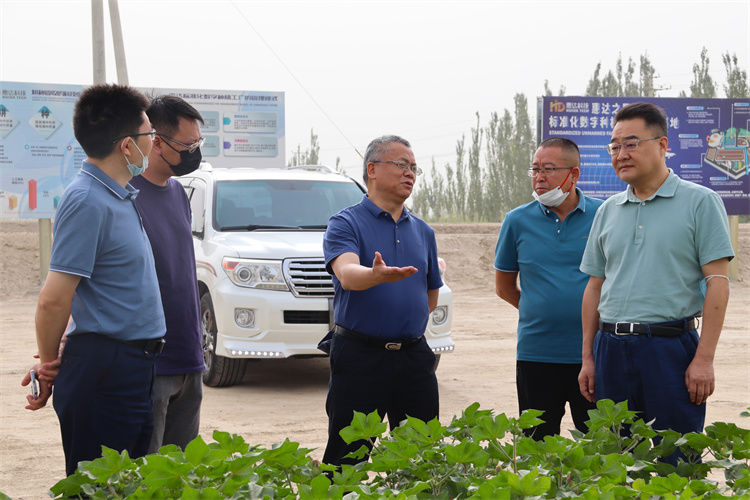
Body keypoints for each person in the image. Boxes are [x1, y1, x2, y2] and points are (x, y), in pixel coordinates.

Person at [22, 83, 166, 477]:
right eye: (149, 133)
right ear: (125, 146)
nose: (154, 142)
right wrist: (50, 364)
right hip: (106, 369)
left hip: (133, 365)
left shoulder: (117, 195)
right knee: (99, 487)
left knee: (130, 484)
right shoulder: (86, 200)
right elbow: (53, 300)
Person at [577, 102, 734, 463]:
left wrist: (704, 359)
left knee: (674, 460)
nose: (621, 154)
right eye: (614, 146)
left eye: (631, 143)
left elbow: (718, 283)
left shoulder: (700, 202)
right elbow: (594, 288)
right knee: (614, 459)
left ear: (662, 145)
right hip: (610, 350)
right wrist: (588, 357)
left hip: (669, 350)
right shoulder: (608, 210)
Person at [321, 135, 443, 468]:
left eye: (414, 168)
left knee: (422, 457)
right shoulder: (345, 223)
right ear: (372, 169)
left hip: (414, 357)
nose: (410, 174)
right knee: (347, 458)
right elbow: (346, 273)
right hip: (361, 357)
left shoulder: (423, 231)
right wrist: (375, 276)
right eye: (402, 164)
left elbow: (429, 296)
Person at [494, 137, 602, 439]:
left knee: (600, 448)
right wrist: (539, 308)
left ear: (574, 174)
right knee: (536, 448)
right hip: (537, 354)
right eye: (535, 169)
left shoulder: (605, 215)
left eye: (549, 169)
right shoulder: (517, 221)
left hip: (593, 355)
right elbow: (504, 287)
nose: (539, 177)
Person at [130, 95, 205, 454]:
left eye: (198, 144)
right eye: (187, 146)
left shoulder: (178, 193)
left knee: (183, 475)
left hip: (190, 356)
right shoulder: (124, 198)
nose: (194, 153)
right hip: (151, 363)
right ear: (156, 141)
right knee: (146, 475)